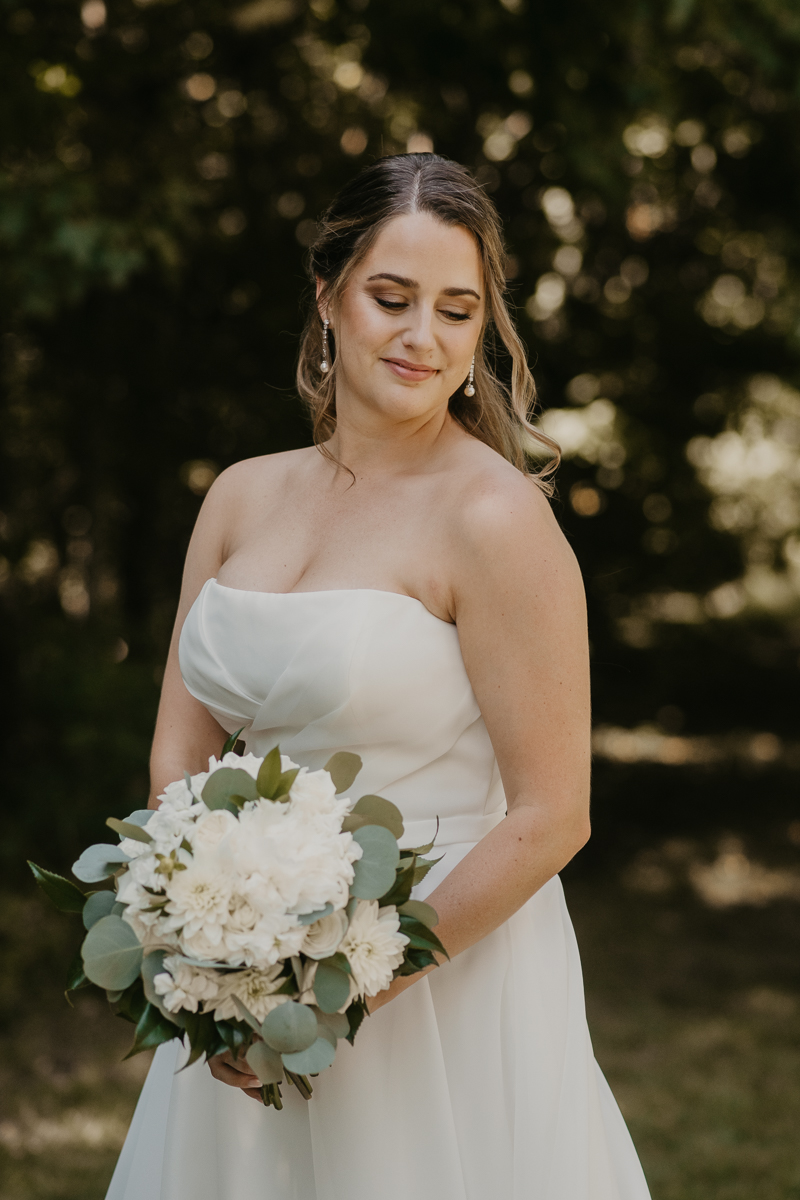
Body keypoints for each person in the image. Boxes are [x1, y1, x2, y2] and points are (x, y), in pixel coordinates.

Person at [106, 153, 651, 1200]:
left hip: (432, 979)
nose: (420, 337)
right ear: (327, 296)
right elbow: (181, 748)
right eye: (389, 298)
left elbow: (551, 815)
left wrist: (331, 993)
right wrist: (215, 960)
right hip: (247, 973)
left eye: (455, 310)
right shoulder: (238, 497)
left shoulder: (494, 522)